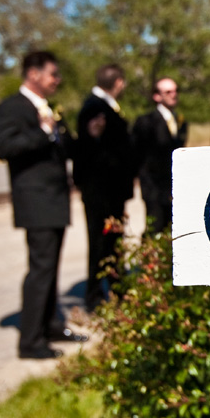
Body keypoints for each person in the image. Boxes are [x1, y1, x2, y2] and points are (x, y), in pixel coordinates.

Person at [0, 50, 89, 359]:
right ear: (33, 74)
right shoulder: (13, 107)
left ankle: (50, 325)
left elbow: (65, 148)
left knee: (51, 267)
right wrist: (43, 132)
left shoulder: (49, 109)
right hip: (35, 199)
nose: (57, 80)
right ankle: (30, 341)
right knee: (40, 269)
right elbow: (4, 146)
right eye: (53, 74)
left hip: (55, 198)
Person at [74, 64, 136, 312]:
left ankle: (117, 289)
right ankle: (93, 296)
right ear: (119, 82)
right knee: (100, 244)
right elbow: (90, 152)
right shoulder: (94, 108)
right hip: (100, 191)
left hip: (112, 191)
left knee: (113, 243)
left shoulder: (104, 106)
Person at [132, 77, 188, 232]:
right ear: (157, 96)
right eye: (168, 92)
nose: (173, 95)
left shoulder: (181, 121)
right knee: (154, 229)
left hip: (173, 186)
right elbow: (137, 154)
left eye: (176, 91)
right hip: (153, 188)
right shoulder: (145, 122)